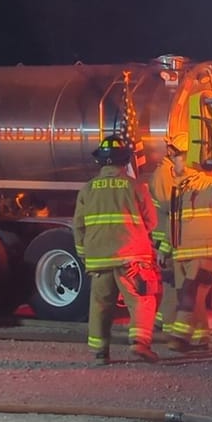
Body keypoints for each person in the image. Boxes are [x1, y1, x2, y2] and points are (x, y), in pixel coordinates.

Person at [72, 134, 160, 364]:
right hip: (131, 257)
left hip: (99, 258)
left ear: (100, 161)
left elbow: (78, 226)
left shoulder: (87, 189)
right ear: (125, 160)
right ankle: (139, 343)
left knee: (100, 305)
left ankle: (100, 352)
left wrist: (84, 254)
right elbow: (152, 221)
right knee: (141, 299)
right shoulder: (136, 186)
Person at [153, 136, 212, 352]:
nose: (174, 160)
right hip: (182, 252)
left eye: (178, 156)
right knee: (193, 298)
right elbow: (174, 221)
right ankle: (200, 339)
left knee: (190, 293)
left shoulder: (209, 182)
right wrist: (165, 248)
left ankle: (180, 337)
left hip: (205, 251)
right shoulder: (180, 187)